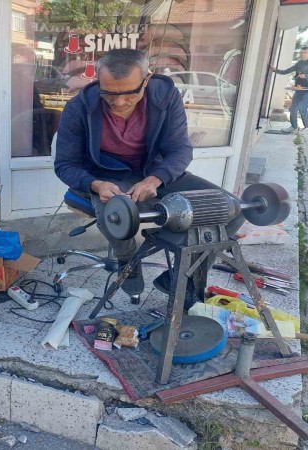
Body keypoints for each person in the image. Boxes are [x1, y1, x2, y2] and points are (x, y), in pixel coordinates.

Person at [54, 49, 244, 298]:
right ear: (97, 81)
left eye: (129, 93)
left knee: (232, 210)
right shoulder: (79, 107)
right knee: (117, 216)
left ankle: (182, 277)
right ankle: (128, 260)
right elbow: (65, 164)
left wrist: (156, 178)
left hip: (155, 171)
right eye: (108, 92)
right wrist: (95, 184)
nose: (119, 102)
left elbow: (180, 150)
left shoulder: (165, 97)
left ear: (147, 79)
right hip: (105, 175)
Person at [270, 46, 308, 133]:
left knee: (302, 108)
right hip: (299, 89)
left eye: (305, 52)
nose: (302, 54)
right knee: (292, 109)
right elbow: (287, 71)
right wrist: (276, 70)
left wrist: (306, 76)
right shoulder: (299, 63)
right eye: (301, 53)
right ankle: (293, 126)